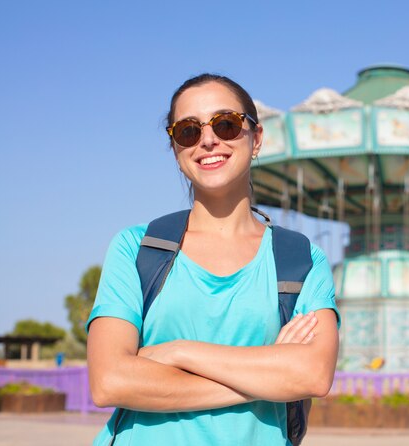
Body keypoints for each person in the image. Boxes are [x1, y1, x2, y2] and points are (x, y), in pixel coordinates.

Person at [86, 74, 340, 445]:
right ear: (176, 151)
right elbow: (110, 381)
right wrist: (267, 376)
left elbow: (312, 376)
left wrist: (177, 352)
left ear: (256, 138)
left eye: (226, 124)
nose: (208, 139)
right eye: (188, 131)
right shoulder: (137, 248)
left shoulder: (301, 259)